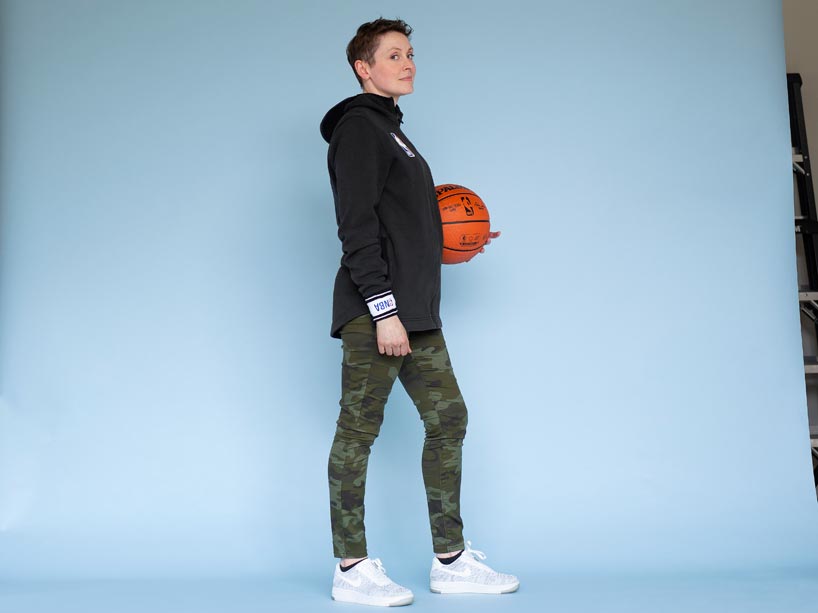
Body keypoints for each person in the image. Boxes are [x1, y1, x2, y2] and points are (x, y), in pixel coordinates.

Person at [319, 18, 518, 607]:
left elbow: (402, 221)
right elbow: (356, 227)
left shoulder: (396, 133)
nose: (407, 63)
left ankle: (451, 561)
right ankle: (350, 568)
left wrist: (456, 240)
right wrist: (383, 310)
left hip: (415, 314)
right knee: (357, 432)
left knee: (448, 419)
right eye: (394, 55)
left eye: (411, 54)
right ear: (364, 68)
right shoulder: (360, 129)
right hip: (376, 312)